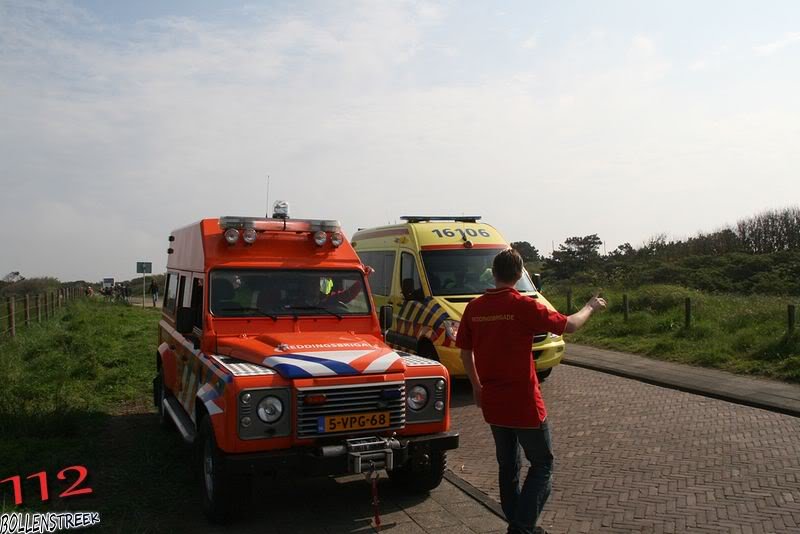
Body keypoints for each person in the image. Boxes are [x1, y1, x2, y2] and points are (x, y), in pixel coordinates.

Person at [456, 248, 607, 534]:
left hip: (493, 401)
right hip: (524, 403)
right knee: (542, 465)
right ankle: (522, 527)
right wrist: (591, 306)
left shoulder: (474, 308)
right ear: (518, 273)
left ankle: (516, 523)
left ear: (495, 273)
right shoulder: (523, 306)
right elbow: (570, 325)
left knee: (508, 466)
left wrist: (477, 388)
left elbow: (466, 353)